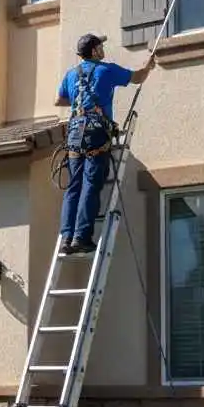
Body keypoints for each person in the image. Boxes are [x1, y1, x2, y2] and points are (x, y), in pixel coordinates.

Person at [55, 33, 155, 254]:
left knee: (74, 185)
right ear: (93, 51)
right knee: (91, 182)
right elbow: (137, 77)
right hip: (95, 130)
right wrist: (148, 66)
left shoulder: (71, 75)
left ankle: (66, 237)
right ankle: (81, 236)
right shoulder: (106, 70)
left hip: (74, 131)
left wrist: (79, 99)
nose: (103, 49)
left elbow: (59, 99)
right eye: (100, 46)